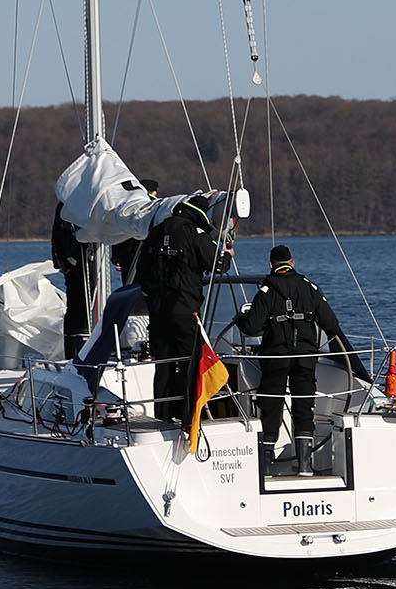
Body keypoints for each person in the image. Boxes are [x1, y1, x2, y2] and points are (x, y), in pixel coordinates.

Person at [233, 245, 344, 476]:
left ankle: (266, 466)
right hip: (305, 357)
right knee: (304, 406)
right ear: (292, 263)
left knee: (271, 406)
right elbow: (332, 325)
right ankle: (305, 465)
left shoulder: (266, 291)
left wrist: (239, 319)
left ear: (271, 264)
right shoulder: (309, 287)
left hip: (276, 357)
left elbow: (251, 327)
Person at [138, 194, 233, 424]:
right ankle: (189, 416)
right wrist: (227, 255)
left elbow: (141, 272)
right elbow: (217, 265)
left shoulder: (156, 232)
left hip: (157, 309)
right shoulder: (195, 234)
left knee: (164, 362)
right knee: (191, 360)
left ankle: (162, 415)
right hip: (184, 308)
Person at [51, 202, 96, 360]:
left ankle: (82, 341)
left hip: (85, 260)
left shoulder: (78, 202)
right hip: (76, 262)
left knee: (84, 303)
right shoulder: (69, 204)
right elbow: (59, 234)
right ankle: (77, 346)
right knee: (79, 305)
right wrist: (65, 261)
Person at [112, 179, 159, 285]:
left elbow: (119, 232)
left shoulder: (128, 207)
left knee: (129, 287)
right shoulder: (156, 207)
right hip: (146, 256)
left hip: (127, 254)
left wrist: (117, 258)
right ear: (153, 192)